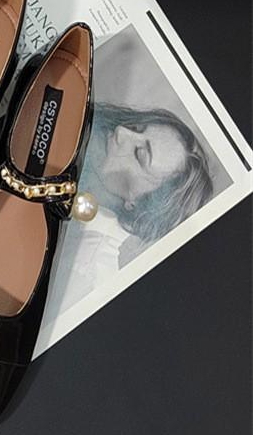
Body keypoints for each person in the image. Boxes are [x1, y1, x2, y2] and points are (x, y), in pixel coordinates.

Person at [47, 102, 214, 316]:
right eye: (136, 127)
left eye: (140, 154)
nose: (121, 131)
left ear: (141, 203)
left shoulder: (84, 277)